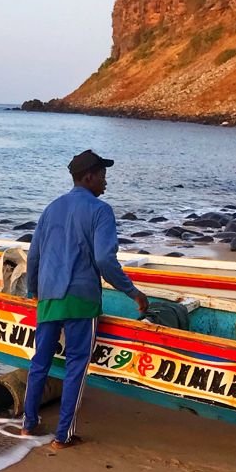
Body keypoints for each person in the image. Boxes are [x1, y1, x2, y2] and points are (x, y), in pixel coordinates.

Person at [22, 149, 148, 448]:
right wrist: (133, 292)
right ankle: (63, 436)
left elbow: (34, 254)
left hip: (49, 296)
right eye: (102, 176)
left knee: (40, 361)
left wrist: (33, 292)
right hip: (81, 299)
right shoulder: (100, 210)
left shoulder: (52, 208)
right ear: (88, 177)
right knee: (77, 366)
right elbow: (105, 259)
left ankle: (28, 424)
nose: (106, 182)